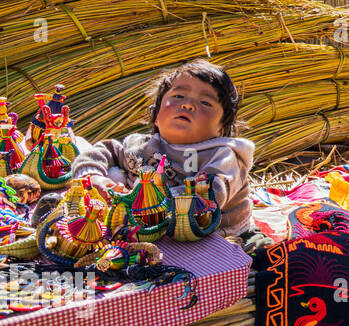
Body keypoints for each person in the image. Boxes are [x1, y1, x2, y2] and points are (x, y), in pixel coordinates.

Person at [70, 59, 255, 238]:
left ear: (220, 130)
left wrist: (147, 202)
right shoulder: (142, 145)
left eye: (205, 103)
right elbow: (104, 150)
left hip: (210, 232)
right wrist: (94, 178)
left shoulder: (222, 156)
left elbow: (212, 193)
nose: (187, 104)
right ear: (156, 115)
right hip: (140, 223)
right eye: (178, 96)